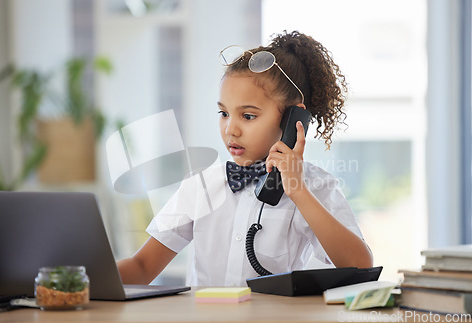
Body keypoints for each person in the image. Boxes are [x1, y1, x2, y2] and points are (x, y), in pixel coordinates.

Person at [117, 30, 373, 286]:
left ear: (293, 119)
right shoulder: (201, 186)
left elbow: (361, 265)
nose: (230, 129)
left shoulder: (315, 187)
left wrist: (298, 192)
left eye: (248, 116)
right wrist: (84, 278)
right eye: (224, 113)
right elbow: (142, 266)